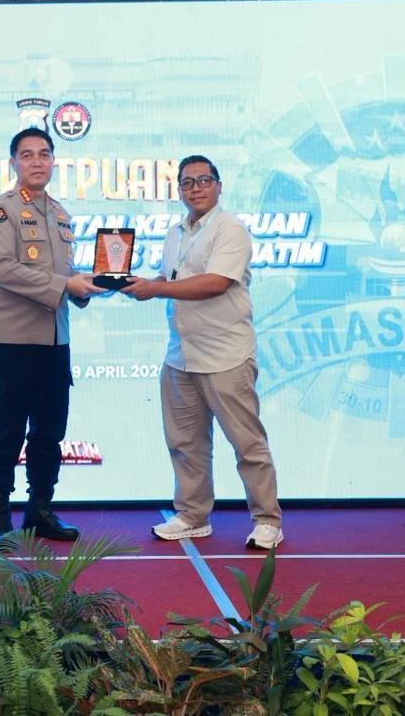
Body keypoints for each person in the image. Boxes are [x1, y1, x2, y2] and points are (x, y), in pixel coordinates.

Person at [122, 155, 283, 550]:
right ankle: (193, 516)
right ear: (179, 190)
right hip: (181, 355)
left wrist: (156, 289)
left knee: (247, 444)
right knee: (185, 444)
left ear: (219, 186)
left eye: (203, 180)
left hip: (225, 355)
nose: (195, 188)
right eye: (187, 182)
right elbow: (172, 279)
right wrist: (134, 283)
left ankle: (267, 521)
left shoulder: (231, 229)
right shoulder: (176, 232)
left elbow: (215, 283)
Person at [0, 128, 98, 545]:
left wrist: (87, 286)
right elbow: (5, 271)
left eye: (44, 154)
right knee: (6, 432)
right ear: (13, 162)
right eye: (27, 155)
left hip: (55, 340)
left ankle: (40, 510)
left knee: (49, 432)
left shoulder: (60, 214)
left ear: (53, 162)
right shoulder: (2, 210)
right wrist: (66, 285)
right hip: (12, 340)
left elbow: (63, 275)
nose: (36, 161)